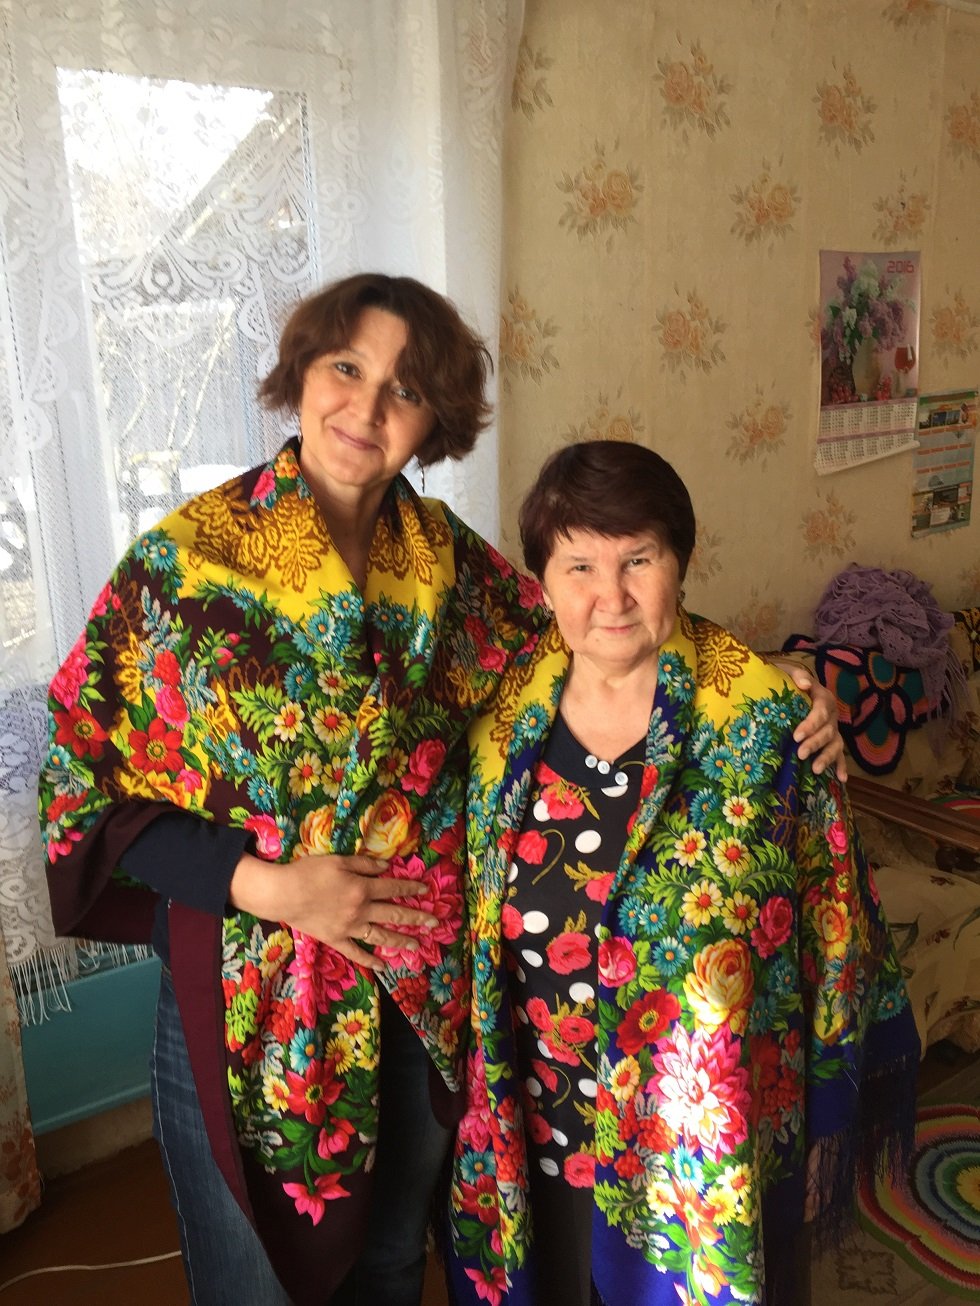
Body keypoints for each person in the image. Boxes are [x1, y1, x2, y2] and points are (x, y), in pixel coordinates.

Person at [39, 276, 841, 1306]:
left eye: (405, 390)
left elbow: (596, 629)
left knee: (389, 1265)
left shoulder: (447, 566)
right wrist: (269, 887)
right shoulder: (186, 568)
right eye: (346, 368)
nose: (366, 408)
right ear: (300, 373)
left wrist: (769, 685)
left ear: (434, 422)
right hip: (249, 991)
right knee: (252, 1285)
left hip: (420, 989)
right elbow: (84, 785)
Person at [446, 441, 919, 1306]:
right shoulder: (493, 718)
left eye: (639, 559)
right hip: (540, 1139)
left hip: (706, 1161)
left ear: (681, 563)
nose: (611, 596)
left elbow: (836, 920)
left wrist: (828, 1108)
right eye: (579, 565)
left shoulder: (768, 724)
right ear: (541, 581)